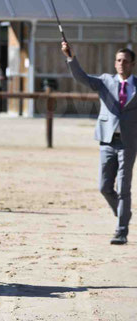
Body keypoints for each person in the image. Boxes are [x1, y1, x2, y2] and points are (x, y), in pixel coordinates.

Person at [62, 42, 137, 245]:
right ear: (115, 63)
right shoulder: (105, 81)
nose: (121, 64)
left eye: (125, 61)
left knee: (124, 187)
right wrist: (71, 58)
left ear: (132, 64)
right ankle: (124, 214)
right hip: (107, 141)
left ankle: (121, 231)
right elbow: (82, 78)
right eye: (118, 60)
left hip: (129, 143)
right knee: (104, 187)